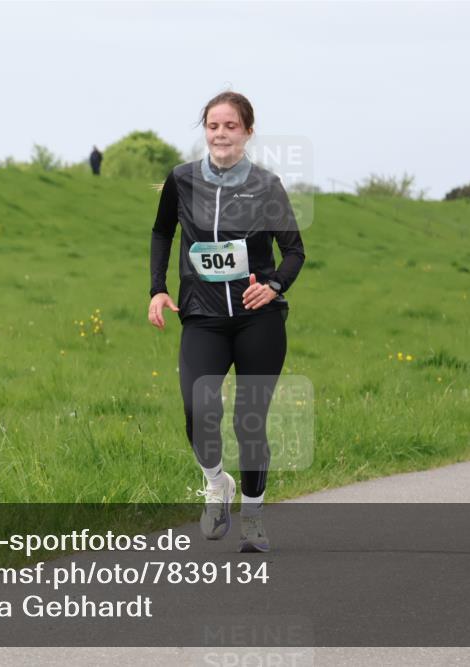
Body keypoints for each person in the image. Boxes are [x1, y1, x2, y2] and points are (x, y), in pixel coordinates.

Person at [148, 92, 305, 552]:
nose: (220, 134)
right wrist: (157, 288)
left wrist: (274, 285)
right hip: (202, 316)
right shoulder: (181, 180)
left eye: (230, 126)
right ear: (206, 131)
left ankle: (254, 516)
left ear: (248, 132)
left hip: (258, 320)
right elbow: (162, 231)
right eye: (213, 126)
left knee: (249, 421)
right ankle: (216, 485)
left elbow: (294, 251)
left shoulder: (266, 185)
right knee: (198, 409)